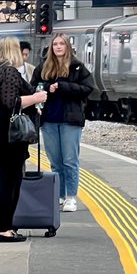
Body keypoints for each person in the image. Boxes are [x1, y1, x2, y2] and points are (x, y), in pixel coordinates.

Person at [0, 37, 46, 242]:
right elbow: (10, 103)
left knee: (10, 179)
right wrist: (36, 98)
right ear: (13, 51)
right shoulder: (8, 71)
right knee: (9, 181)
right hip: (6, 135)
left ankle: (7, 226)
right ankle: (3, 229)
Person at [36, 34, 93, 212]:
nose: (58, 47)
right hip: (49, 120)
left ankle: (71, 197)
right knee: (55, 161)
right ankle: (58, 195)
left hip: (70, 120)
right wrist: (46, 88)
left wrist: (63, 86)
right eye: (55, 44)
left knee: (70, 160)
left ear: (67, 47)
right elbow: (33, 87)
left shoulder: (77, 67)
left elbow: (88, 89)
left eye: (62, 44)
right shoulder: (44, 67)